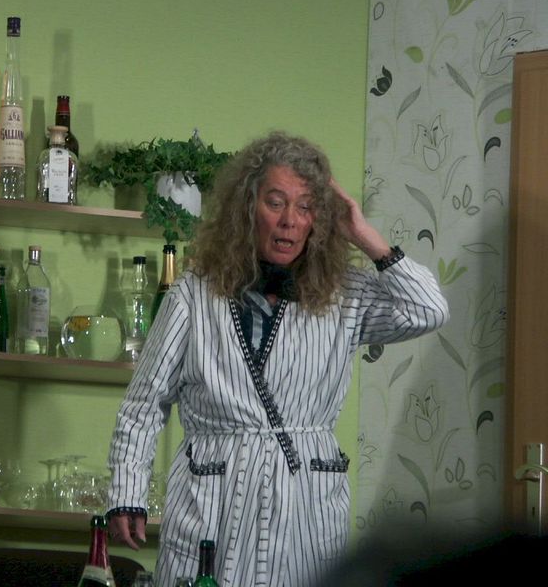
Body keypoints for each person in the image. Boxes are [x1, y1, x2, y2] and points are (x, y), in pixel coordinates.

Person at [105, 131, 449, 587]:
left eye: (305, 207)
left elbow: (429, 309)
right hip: (213, 500)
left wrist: (363, 234)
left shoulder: (344, 295)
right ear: (247, 208)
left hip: (305, 505)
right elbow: (144, 403)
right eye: (275, 202)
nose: (289, 221)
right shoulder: (194, 294)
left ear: (318, 220)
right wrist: (126, 493)